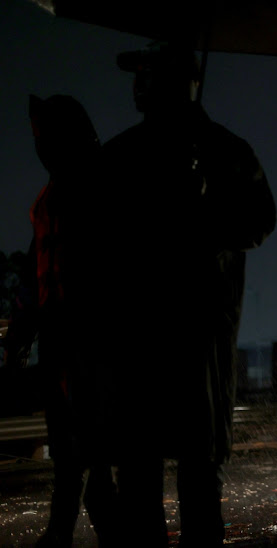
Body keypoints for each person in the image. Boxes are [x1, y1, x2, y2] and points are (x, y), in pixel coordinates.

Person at [91, 41, 276, 548]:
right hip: (136, 346)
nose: (137, 87)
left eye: (146, 75)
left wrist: (206, 206)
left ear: (176, 82)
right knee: (140, 485)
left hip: (197, 341)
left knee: (197, 479)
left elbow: (261, 219)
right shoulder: (120, 154)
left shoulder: (223, 152)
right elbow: (94, 244)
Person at [4, 94, 118, 548]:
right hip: (60, 332)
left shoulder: (96, 186)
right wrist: (22, 328)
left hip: (92, 332)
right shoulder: (55, 195)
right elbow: (38, 267)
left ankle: (91, 523)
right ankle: (69, 524)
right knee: (69, 437)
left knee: (91, 436)